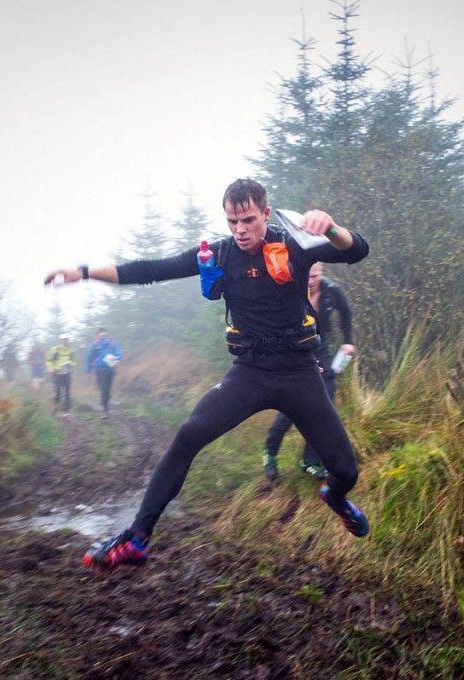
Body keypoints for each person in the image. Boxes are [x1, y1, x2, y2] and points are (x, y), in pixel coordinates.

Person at [44, 178, 371, 572]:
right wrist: (83, 272)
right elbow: (150, 270)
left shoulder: (294, 245)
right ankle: (137, 538)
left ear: (266, 214)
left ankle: (335, 499)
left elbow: (357, 251)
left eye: (248, 220)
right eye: (232, 221)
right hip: (249, 372)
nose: (240, 230)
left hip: (299, 372)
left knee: (346, 472)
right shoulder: (220, 253)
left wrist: (332, 227)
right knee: (187, 436)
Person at [262, 261, 356, 481]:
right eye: (307, 276)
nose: (311, 282)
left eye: (315, 276)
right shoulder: (289, 292)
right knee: (293, 405)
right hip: (293, 351)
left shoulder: (332, 291)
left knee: (325, 405)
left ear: (321, 271)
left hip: (320, 348)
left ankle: (310, 461)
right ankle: (270, 452)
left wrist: (348, 342)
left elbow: (346, 313)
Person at [86, 327, 121, 418]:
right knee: (103, 388)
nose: (102, 334)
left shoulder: (112, 343)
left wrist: (116, 358)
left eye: (104, 332)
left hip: (110, 369)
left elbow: (119, 354)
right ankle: (105, 410)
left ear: (107, 333)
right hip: (99, 369)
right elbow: (89, 357)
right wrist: (88, 371)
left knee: (107, 389)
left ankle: (107, 399)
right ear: (98, 335)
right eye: (101, 333)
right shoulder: (95, 345)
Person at [48, 335, 74, 418]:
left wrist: (71, 364)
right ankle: (56, 406)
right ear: (60, 341)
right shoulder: (55, 349)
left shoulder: (71, 350)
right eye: (63, 340)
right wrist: (51, 368)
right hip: (57, 374)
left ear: (68, 341)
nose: (65, 341)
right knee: (58, 392)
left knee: (67, 393)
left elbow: (74, 361)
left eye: (66, 339)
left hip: (67, 373)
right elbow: (48, 360)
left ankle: (66, 412)